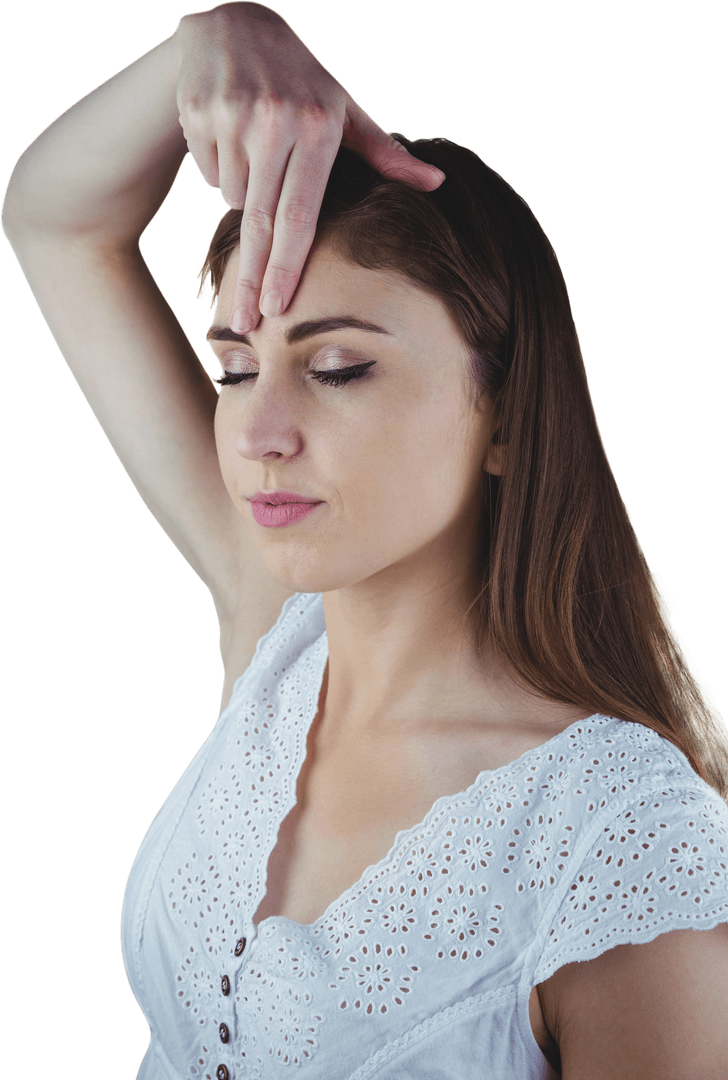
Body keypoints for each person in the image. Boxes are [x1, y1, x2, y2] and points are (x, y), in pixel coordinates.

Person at [4, 2, 728, 1078]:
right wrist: (207, 41)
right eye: (236, 366)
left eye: (337, 368)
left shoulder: (619, 836)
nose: (256, 432)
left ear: (506, 412)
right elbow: (51, 219)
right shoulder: (280, 635)